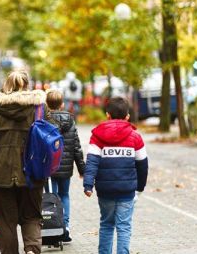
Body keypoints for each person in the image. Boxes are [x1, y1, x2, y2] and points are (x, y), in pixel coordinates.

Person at [0, 71, 52, 254]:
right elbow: (52, 137)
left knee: (5, 221)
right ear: (27, 85)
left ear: (6, 85)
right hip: (32, 173)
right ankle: (31, 250)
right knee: (31, 216)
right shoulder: (39, 108)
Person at [83, 97, 148, 254]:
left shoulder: (97, 136)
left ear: (107, 115)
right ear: (127, 116)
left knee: (106, 224)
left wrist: (88, 184)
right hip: (127, 191)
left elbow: (92, 161)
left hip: (105, 190)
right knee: (124, 226)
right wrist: (139, 188)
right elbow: (143, 165)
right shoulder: (135, 137)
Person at [45, 89, 85, 242]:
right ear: (62, 104)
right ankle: (66, 227)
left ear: (47, 104)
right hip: (66, 168)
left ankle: (53, 227)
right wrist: (82, 169)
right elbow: (76, 147)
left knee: (51, 197)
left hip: (48, 168)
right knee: (65, 195)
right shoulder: (70, 121)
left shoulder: (43, 121)